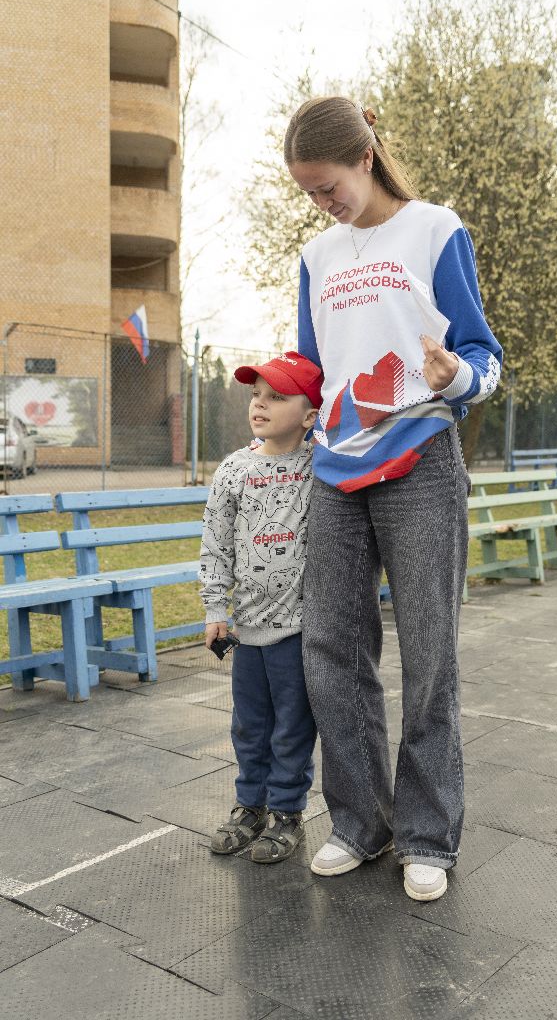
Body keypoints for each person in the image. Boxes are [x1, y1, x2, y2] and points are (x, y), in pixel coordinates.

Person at [285, 96, 502, 901]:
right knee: (331, 650)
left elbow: (482, 349)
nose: (321, 202)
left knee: (429, 651)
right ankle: (358, 822)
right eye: (308, 192)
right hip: (335, 471)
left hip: (419, 460)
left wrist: (460, 377)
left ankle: (427, 836)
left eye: (327, 185)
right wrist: (280, 408)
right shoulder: (316, 255)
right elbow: (316, 366)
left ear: (364, 158)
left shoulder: (436, 229)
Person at [199, 351, 322, 864]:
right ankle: (249, 806)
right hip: (247, 629)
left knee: (293, 725)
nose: (260, 404)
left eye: (277, 397)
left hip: (297, 630)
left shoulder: (321, 467)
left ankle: (287, 814)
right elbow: (216, 542)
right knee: (249, 724)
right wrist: (214, 609)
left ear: (310, 414)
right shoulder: (234, 470)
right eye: (256, 395)